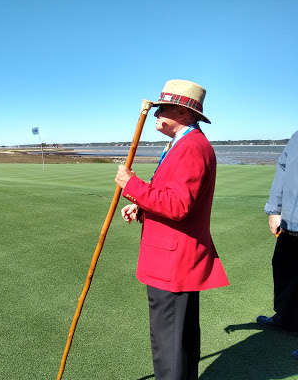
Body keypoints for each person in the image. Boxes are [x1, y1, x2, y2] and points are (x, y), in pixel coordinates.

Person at [115, 80, 229, 380]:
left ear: (184, 113)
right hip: (172, 257)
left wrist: (133, 186)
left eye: (163, 108)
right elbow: (172, 195)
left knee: (170, 344)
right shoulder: (183, 142)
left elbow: (178, 206)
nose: (156, 113)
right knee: (180, 339)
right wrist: (142, 206)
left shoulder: (191, 146)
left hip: (174, 262)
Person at [257, 130, 298, 335]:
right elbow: (282, 172)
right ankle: (285, 317)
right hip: (290, 221)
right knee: (283, 267)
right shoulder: (296, 137)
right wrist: (275, 210)